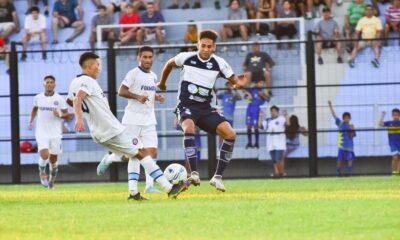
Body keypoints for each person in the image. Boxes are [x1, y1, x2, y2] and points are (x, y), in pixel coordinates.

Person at [67, 52, 187, 199]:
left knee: (134, 154)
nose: (99, 69)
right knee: (141, 152)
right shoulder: (88, 81)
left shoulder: (74, 82)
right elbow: (78, 98)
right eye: (98, 65)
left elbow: (71, 101)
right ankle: (169, 188)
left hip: (98, 133)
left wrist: (87, 112)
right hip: (111, 129)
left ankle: (133, 193)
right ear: (90, 65)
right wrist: (79, 119)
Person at [158, 30, 247, 192]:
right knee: (189, 128)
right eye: (202, 45)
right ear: (197, 45)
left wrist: (239, 84)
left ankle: (217, 178)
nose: (205, 49)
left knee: (231, 135)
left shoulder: (220, 63)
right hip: (186, 105)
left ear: (214, 47)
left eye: (209, 46)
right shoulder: (186, 57)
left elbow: (234, 81)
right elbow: (169, 64)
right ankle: (194, 173)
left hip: (206, 108)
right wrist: (163, 83)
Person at [99, 46, 165, 197]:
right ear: (139, 58)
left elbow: (150, 94)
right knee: (135, 154)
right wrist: (137, 97)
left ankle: (149, 186)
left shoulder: (154, 76)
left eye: (150, 57)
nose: (148, 60)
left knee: (152, 152)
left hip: (149, 121)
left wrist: (157, 97)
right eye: (145, 57)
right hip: (132, 121)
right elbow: (121, 91)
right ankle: (112, 160)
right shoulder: (133, 73)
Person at [28, 75, 70, 189]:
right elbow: (34, 109)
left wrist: (60, 114)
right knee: (45, 155)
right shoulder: (38, 97)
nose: (49, 84)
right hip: (41, 132)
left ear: (54, 85)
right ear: (44, 84)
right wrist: (30, 121)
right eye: (47, 82)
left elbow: (68, 115)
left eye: (51, 82)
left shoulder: (59, 99)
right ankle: (42, 171)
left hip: (56, 133)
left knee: (53, 160)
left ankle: (51, 182)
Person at [328, 100, 356, 176]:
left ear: (350, 118)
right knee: (339, 159)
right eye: (345, 118)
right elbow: (334, 115)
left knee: (350, 158)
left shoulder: (351, 126)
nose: (346, 119)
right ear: (343, 118)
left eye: (348, 118)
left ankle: (349, 172)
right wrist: (330, 105)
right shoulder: (340, 124)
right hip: (342, 145)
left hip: (350, 146)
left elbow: (353, 136)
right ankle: (338, 172)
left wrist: (352, 130)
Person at [262, 105, 289, 177]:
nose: (273, 113)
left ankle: (281, 173)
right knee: (274, 160)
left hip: (280, 144)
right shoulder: (267, 121)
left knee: (278, 159)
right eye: (272, 111)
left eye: (275, 111)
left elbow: (288, 124)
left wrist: (286, 115)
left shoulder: (281, 119)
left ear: (277, 112)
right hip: (270, 144)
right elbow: (260, 126)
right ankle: (277, 173)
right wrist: (260, 116)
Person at [245, 79, 269, 149]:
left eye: (263, 83)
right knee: (248, 126)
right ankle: (249, 143)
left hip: (257, 109)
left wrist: (262, 95)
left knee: (256, 126)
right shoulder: (251, 89)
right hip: (249, 108)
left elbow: (268, 99)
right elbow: (244, 92)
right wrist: (248, 94)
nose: (262, 84)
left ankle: (256, 143)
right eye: (260, 82)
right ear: (257, 83)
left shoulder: (263, 91)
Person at [379, 109, 400, 175]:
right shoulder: (389, 123)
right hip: (393, 143)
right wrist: (383, 115)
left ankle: (398, 172)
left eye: (397, 115)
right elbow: (380, 124)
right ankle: (393, 171)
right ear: (392, 115)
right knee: (395, 157)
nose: (395, 116)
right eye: (394, 115)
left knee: (399, 157)